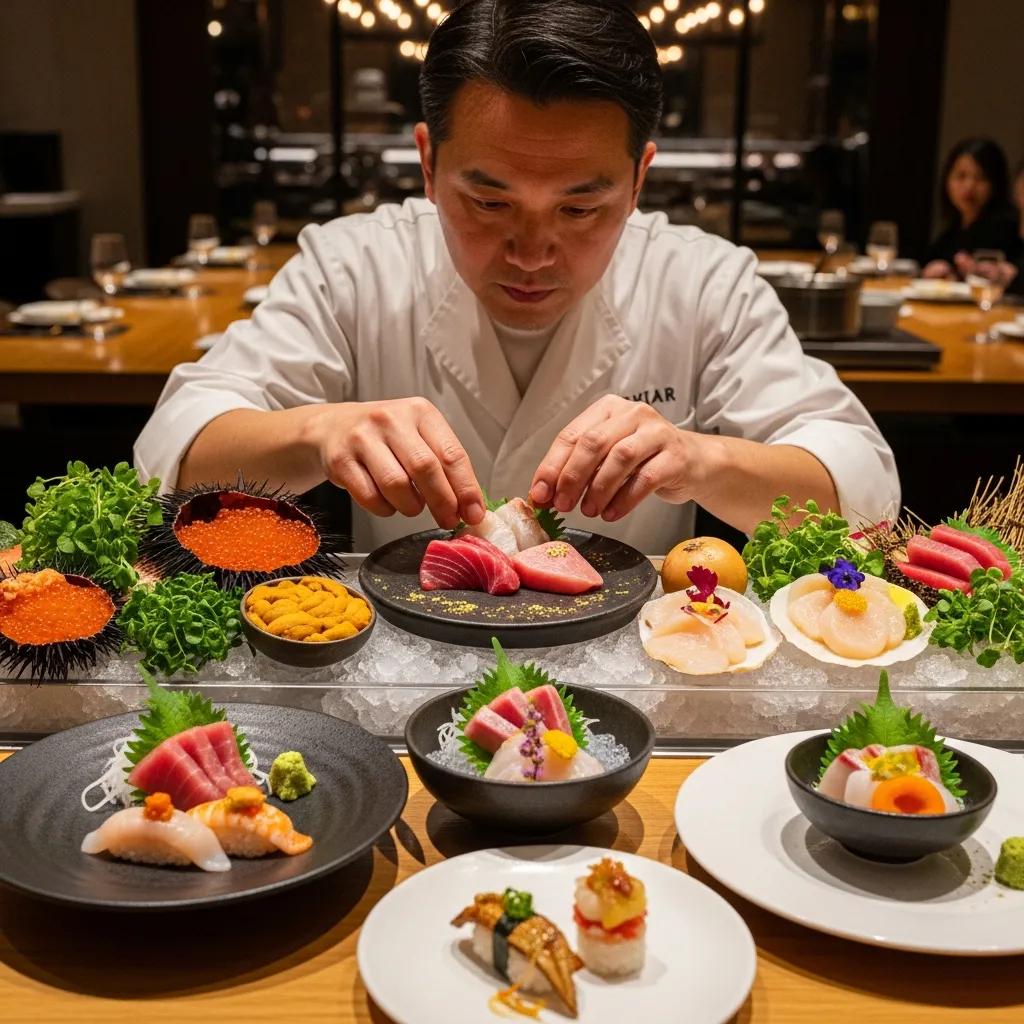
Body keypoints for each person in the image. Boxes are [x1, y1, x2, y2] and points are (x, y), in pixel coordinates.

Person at [134, 0, 899, 554]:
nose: (532, 252)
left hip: (634, 682)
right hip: (399, 680)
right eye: (489, 200)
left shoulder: (703, 283)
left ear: (639, 180)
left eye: (581, 208)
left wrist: (701, 459)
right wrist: (319, 431)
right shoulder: (354, 265)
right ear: (429, 164)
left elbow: (862, 488)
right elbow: (170, 452)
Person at [922, 138, 1021, 280]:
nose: (969, 187)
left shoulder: (1007, 228)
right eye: (961, 176)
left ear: (996, 184)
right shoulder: (953, 230)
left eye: (981, 178)